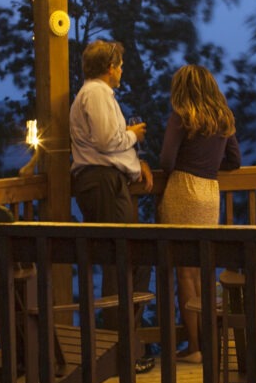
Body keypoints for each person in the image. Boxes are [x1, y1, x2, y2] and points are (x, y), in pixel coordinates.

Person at [155, 63, 242, 363]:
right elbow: (235, 161)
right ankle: (211, 344)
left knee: (185, 274)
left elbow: (166, 161)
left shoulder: (181, 117)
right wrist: (208, 165)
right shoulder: (222, 119)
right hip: (209, 193)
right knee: (205, 271)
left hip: (183, 190)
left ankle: (194, 348)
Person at [68, 39, 150, 223]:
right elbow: (106, 141)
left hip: (102, 182)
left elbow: (105, 137)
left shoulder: (92, 92)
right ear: (110, 67)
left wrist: (136, 165)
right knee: (114, 244)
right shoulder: (97, 92)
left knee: (114, 244)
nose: (122, 71)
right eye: (120, 66)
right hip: (102, 182)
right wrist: (133, 135)